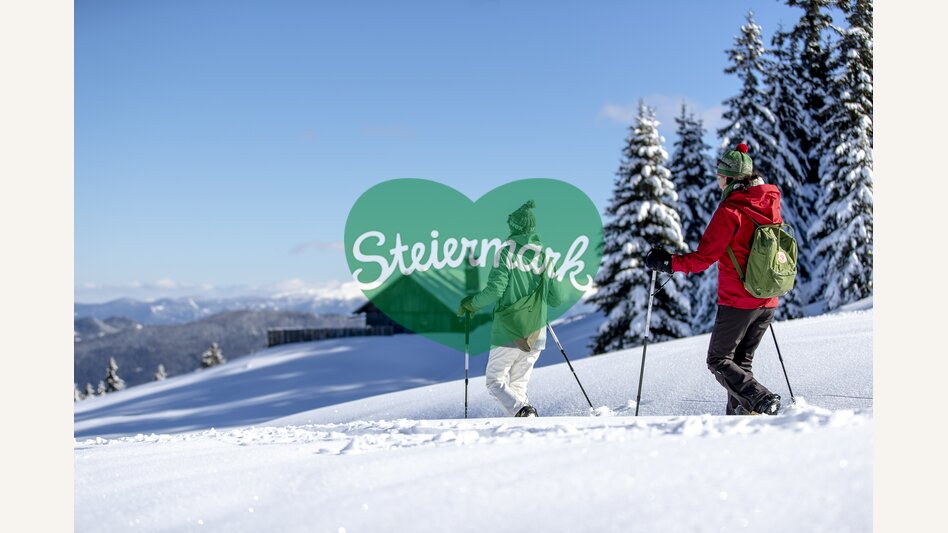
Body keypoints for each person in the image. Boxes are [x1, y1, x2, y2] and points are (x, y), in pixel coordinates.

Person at [645, 143, 783, 415]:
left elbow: (703, 258)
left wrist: (668, 262)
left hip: (738, 301)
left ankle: (761, 399)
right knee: (741, 364)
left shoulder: (730, 211)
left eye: (721, 176)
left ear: (731, 178)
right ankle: (740, 418)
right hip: (767, 299)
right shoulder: (770, 204)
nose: (718, 181)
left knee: (719, 360)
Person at [457, 200, 562, 418]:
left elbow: (495, 290)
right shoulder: (546, 257)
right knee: (518, 387)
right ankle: (524, 423)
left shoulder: (506, 253)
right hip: (536, 331)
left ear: (514, 227)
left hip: (509, 328)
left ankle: (521, 411)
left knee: (494, 382)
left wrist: (471, 304)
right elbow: (556, 299)